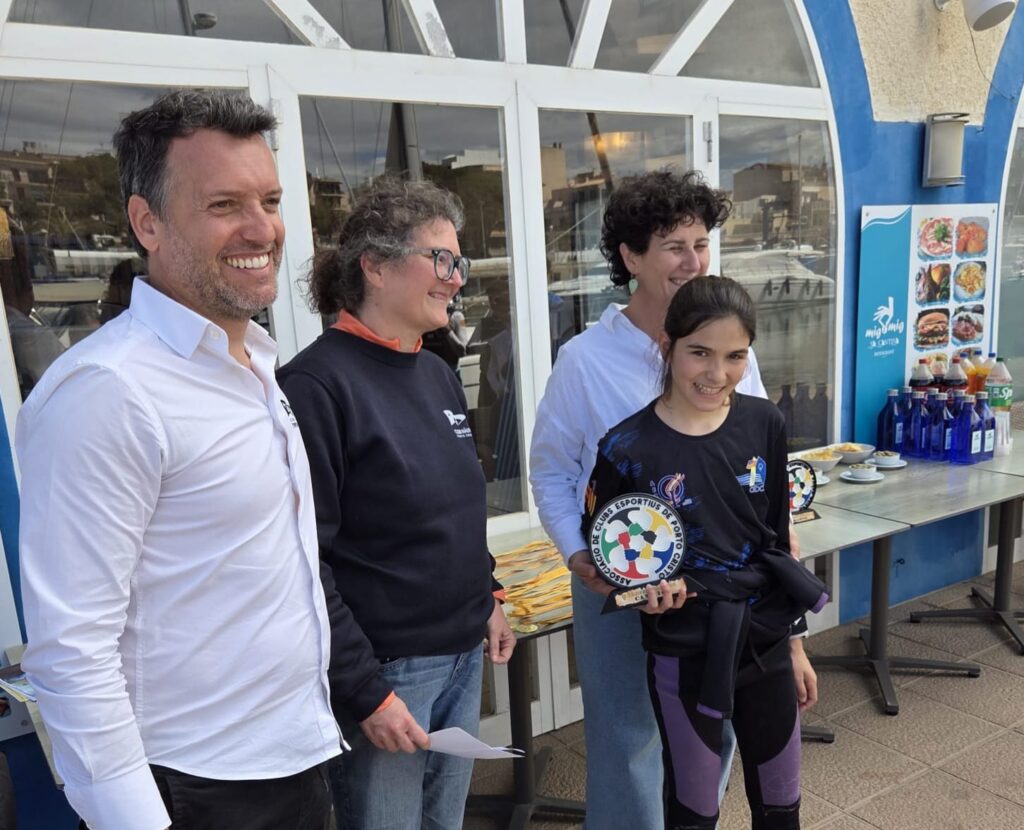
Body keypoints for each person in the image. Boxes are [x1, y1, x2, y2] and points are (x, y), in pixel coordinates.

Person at [17, 90, 340, 830]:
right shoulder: (109, 392)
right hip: (194, 789)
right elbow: (70, 652)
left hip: (294, 753)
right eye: (225, 204)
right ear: (147, 223)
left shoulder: (254, 359)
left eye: (270, 198)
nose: (262, 227)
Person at [529, 169, 816, 829]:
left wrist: (786, 588)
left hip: (722, 582)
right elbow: (549, 471)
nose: (693, 259)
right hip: (619, 581)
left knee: (711, 727)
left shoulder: (728, 347)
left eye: (700, 242)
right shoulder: (584, 361)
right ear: (630, 258)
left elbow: (757, 473)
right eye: (673, 246)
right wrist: (579, 559)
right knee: (627, 734)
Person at [277, 176, 515, 830]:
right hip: (390, 672)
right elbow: (301, 560)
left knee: (445, 823)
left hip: (464, 651)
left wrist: (488, 597)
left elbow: (457, 510)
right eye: (441, 259)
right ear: (375, 268)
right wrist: (366, 693)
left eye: (458, 262)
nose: (456, 278)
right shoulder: (316, 385)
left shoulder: (436, 370)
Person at [584, 276, 827, 829]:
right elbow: (615, 560)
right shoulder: (625, 449)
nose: (717, 374)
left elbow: (775, 543)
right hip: (683, 648)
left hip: (764, 637)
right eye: (700, 353)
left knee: (781, 806)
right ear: (666, 345)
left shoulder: (764, 422)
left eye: (735, 356)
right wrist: (644, 596)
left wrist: (796, 645)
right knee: (693, 812)